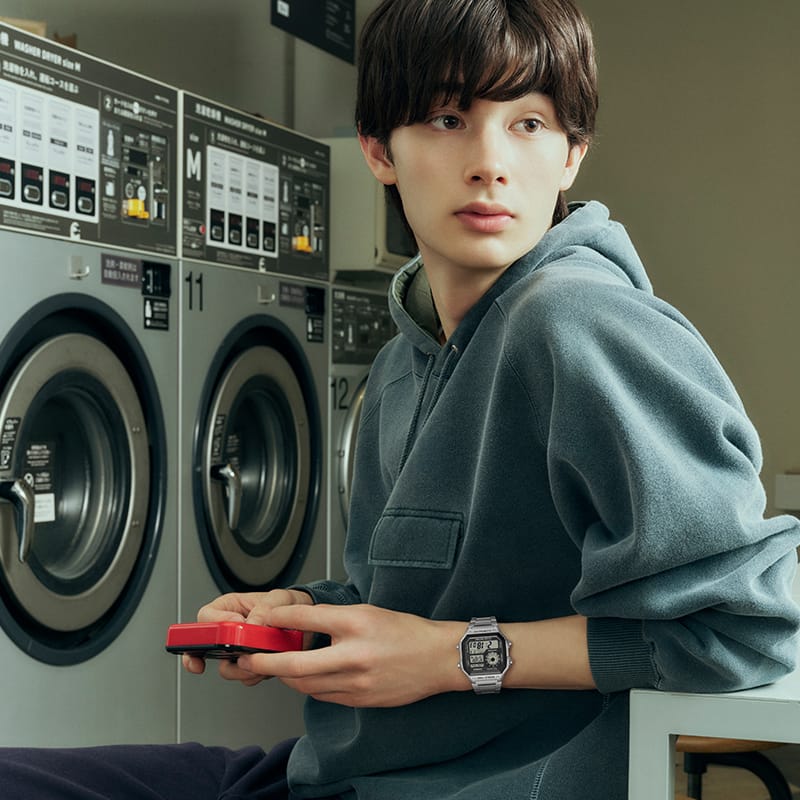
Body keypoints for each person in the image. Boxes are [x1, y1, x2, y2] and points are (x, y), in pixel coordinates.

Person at [2, 0, 799, 798]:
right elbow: (410, 608)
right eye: (449, 118)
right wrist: (303, 615)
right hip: (333, 773)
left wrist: (452, 658)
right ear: (379, 150)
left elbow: (741, 629)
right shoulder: (402, 359)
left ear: (573, 156)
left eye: (528, 123)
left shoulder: (577, 321)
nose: (490, 161)